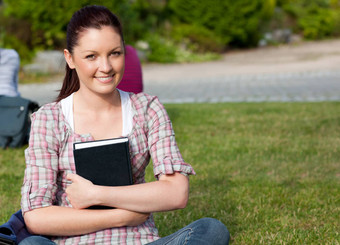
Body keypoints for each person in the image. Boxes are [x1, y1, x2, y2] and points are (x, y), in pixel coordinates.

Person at [19, 5, 230, 245]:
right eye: (91, 56)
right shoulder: (49, 119)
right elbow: (37, 217)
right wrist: (122, 215)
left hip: (139, 241)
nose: (106, 67)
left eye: (115, 53)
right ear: (70, 59)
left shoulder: (147, 109)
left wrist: (96, 194)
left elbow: (176, 193)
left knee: (212, 230)